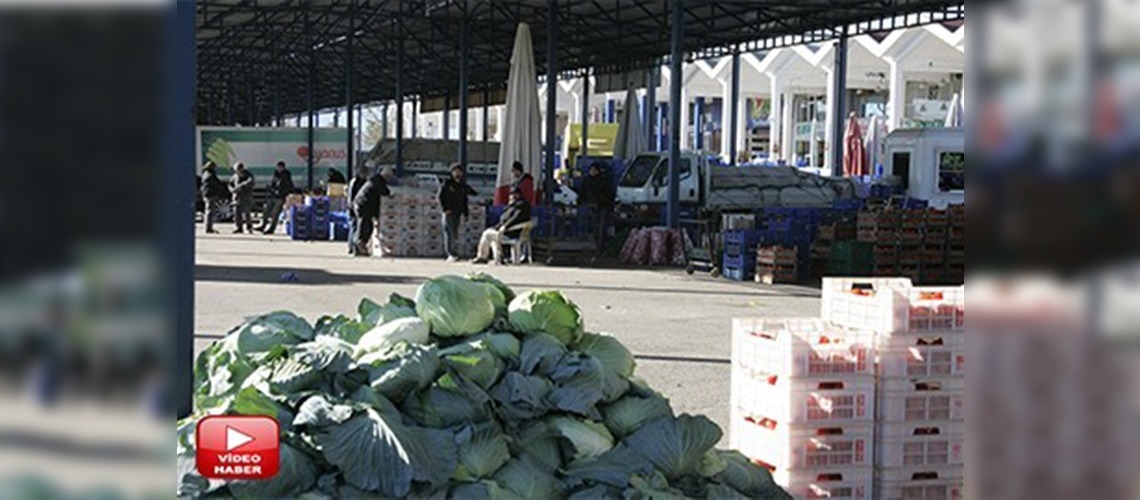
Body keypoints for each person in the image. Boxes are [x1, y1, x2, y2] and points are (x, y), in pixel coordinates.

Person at [472, 188, 531, 264]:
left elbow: (514, 219)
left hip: (510, 232)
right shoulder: (512, 206)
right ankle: (498, 257)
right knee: (491, 236)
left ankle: (483, 257)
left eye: (512, 195)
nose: (510, 197)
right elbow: (502, 221)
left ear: (517, 195)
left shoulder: (520, 206)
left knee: (487, 234)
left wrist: (505, 227)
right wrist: (496, 227)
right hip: (505, 230)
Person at [438, 164, 478, 262]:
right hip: (449, 212)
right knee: (449, 233)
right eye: (455, 171)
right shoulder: (447, 183)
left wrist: (466, 213)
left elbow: (465, 199)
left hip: (458, 212)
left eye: (459, 171)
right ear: (452, 172)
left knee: (454, 234)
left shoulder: (462, 185)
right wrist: (444, 209)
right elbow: (440, 197)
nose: (458, 173)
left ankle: (454, 253)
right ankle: (451, 253)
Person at [351, 167, 391, 256]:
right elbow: (385, 192)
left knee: (365, 226)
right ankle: (359, 247)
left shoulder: (375, 179)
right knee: (365, 227)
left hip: (362, 205)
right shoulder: (377, 181)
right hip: (363, 206)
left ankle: (359, 247)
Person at [581, 162, 615, 254]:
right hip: (592, 207)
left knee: (600, 228)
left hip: (602, 207)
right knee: (594, 228)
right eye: (591, 170)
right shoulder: (587, 181)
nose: (592, 172)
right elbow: (582, 193)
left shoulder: (603, 181)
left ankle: (600, 248)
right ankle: (596, 247)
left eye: (594, 170)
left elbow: (608, 196)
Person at [258, 161, 294, 234]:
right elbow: (273, 184)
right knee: (266, 211)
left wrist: (282, 193)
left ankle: (271, 228)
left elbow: (290, 187)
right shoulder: (276, 175)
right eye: (278, 167)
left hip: (280, 197)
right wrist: (271, 189)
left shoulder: (286, 176)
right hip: (273, 196)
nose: (278, 169)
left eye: (280, 167)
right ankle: (263, 225)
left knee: (275, 213)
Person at [346, 165, 370, 255]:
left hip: (356, 207)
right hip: (353, 207)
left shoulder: (363, 181)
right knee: (354, 227)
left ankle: (352, 246)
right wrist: (351, 207)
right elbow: (351, 195)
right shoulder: (355, 182)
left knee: (356, 227)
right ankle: (351, 246)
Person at [200, 161, 228, 234]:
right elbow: (215, 184)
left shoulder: (205, 174)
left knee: (209, 211)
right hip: (210, 194)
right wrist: (222, 187)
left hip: (207, 194)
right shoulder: (210, 175)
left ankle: (209, 227)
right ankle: (208, 228)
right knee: (210, 211)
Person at [229, 162, 255, 233]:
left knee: (247, 213)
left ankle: (249, 227)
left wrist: (241, 186)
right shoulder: (234, 176)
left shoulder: (248, 175)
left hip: (246, 197)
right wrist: (232, 189)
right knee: (237, 213)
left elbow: (251, 182)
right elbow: (230, 184)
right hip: (236, 197)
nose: (237, 171)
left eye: (238, 169)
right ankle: (238, 227)